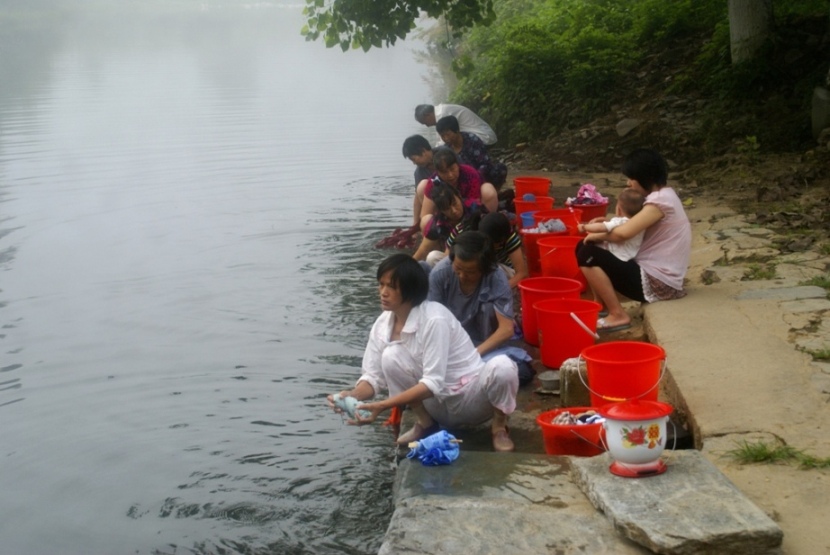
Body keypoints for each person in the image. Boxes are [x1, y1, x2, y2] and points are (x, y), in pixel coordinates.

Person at [327, 254, 518, 452]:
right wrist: (352, 395)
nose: (383, 292)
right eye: (381, 285)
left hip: (469, 399)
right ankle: (426, 424)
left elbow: (432, 382)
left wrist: (382, 405)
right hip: (436, 406)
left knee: (503, 367)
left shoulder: (434, 319)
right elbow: (373, 377)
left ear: (410, 291)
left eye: (391, 287)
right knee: (390, 356)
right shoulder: (382, 325)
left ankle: (499, 427)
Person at [576, 149, 692, 332]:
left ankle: (618, 314)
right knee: (587, 247)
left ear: (645, 177)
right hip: (658, 274)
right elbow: (628, 223)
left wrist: (597, 235)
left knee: (587, 252)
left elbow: (624, 233)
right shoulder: (664, 195)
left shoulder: (660, 202)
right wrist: (607, 223)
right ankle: (602, 304)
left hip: (659, 282)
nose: (628, 183)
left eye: (632, 178)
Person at [428, 231, 534, 385]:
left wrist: (472, 355)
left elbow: (506, 329)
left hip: (484, 346)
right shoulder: (440, 273)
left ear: (485, 269)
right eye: (458, 268)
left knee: (521, 373)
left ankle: (468, 377)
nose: (462, 275)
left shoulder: (496, 277)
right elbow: (431, 323)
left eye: (470, 272)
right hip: (448, 346)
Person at [413, 181, 483, 263]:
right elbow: (423, 250)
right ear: (441, 211)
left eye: (455, 203)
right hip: (454, 258)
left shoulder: (475, 208)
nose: (454, 211)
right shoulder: (438, 224)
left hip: (479, 253)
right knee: (432, 257)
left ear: (459, 195)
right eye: (447, 208)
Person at [435, 115, 508, 189]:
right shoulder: (447, 149)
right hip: (461, 179)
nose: (446, 138)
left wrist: (475, 176)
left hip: (480, 175)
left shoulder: (472, 140)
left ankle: (494, 190)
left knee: (500, 169)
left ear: (456, 130)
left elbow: (485, 163)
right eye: (442, 136)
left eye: (448, 134)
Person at [577, 189, 646, 263]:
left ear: (619, 210)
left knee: (584, 249)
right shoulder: (639, 223)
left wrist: (584, 227)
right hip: (629, 257)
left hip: (616, 256)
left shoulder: (620, 221)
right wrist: (606, 220)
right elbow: (616, 224)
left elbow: (601, 227)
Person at [476, 211, 528, 289]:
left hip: (506, 273)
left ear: (501, 240)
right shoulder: (478, 237)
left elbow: (522, 273)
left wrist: (501, 289)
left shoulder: (510, 239)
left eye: (490, 242)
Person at [414, 103, 498, 146]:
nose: (427, 126)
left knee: (451, 142)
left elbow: (443, 142)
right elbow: (440, 140)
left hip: (484, 137)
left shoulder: (442, 114)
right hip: (481, 136)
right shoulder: (441, 111)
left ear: (428, 115)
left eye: (425, 123)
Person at [402, 135, 435, 227]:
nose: (414, 163)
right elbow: (417, 196)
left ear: (423, 151)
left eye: (414, 159)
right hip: (439, 204)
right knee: (422, 186)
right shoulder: (420, 172)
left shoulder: (445, 156)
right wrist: (415, 223)